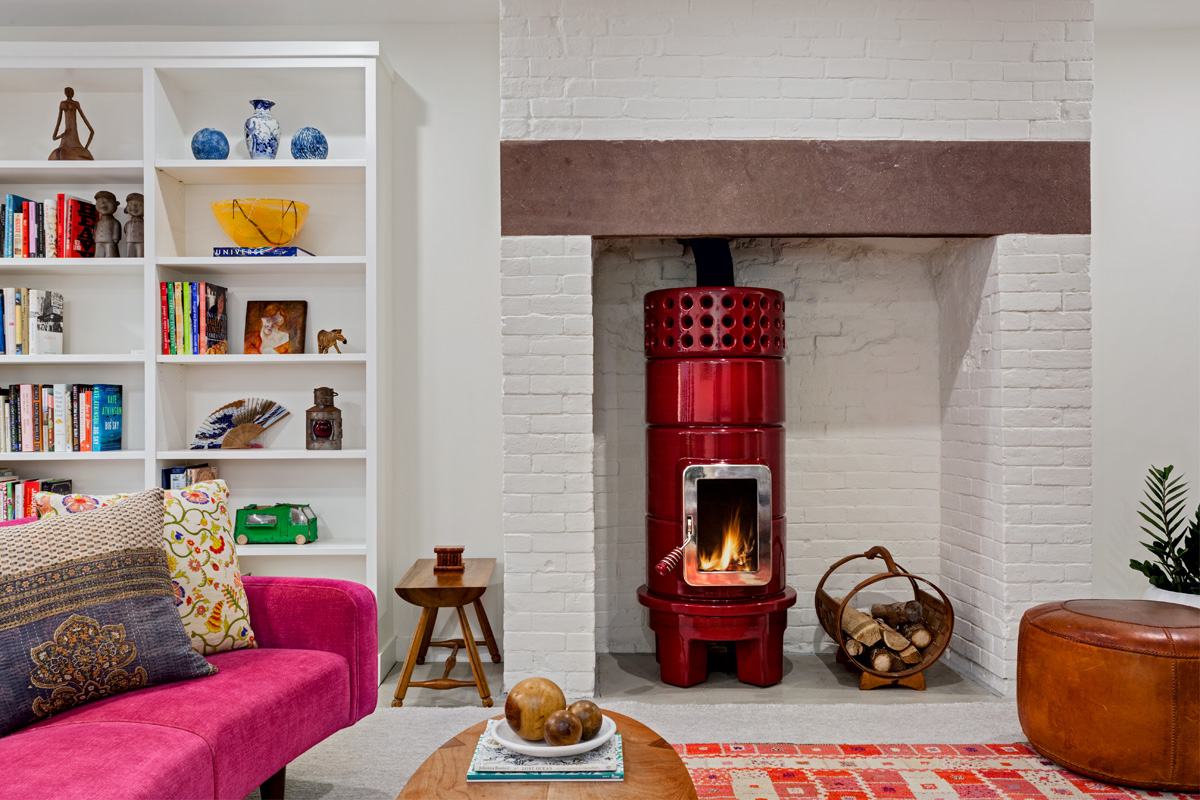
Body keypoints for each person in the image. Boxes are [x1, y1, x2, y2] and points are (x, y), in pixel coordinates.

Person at [49, 87, 95, 161]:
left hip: (67, 138)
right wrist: (85, 148)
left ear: (73, 93)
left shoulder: (74, 103)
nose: (68, 92)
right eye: (67, 91)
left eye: (69, 91)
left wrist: (61, 135)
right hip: (69, 140)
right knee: (89, 159)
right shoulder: (68, 104)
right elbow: (92, 131)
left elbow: (92, 131)